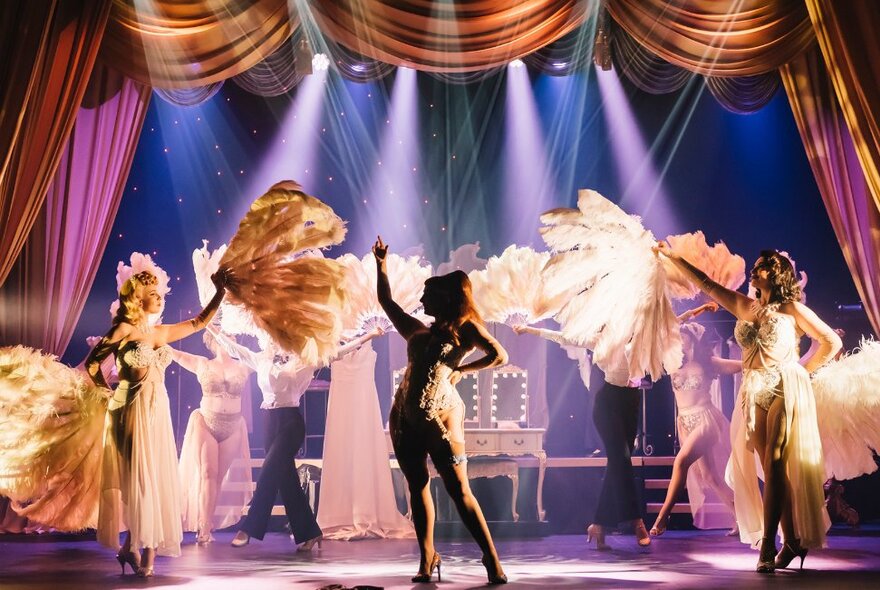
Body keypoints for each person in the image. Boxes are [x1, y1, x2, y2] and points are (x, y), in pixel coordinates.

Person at [655, 244, 841, 572]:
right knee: (771, 471)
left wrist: (800, 371)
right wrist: (673, 258)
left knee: (776, 459)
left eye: (760, 267)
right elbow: (708, 284)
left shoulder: (792, 309)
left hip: (782, 385)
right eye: (753, 267)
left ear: (776, 273)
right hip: (752, 392)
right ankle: (793, 540)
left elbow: (830, 342)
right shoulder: (744, 305)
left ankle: (769, 544)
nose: (753, 271)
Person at [373, 236, 509, 584]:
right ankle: (426, 557)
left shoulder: (466, 329)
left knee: (459, 489)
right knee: (417, 485)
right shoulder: (418, 331)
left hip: (440, 415)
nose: (421, 300)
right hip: (404, 415)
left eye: (427, 295)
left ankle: (491, 559)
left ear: (446, 297)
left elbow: (499, 355)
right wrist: (381, 265)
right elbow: (387, 302)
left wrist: (460, 370)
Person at [85, 268, 230, 577]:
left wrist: (219, 291)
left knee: (157, 477)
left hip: (157, 411)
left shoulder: (162, 333)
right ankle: (138, 547)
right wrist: (104, 390)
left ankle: (135, 548)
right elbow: (93, 363)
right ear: (138, 299)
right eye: (153, 296)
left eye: (162, 295)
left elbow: (200, 321)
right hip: (128, 409)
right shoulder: (123, 330)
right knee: (139, 481)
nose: (160, 300)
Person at [218, 330, 377, 550]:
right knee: (287, 481)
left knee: (269, 471)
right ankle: (310, 532)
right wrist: (209, 327)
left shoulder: (304, 360)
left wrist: (366, 337)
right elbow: (236, 349)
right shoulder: (262, 359)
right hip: (269, 424)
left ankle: (248, 527)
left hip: (291, 423)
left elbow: (335, 353)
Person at [649, 302, 741, 537]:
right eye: (678, 336)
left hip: (705, 420)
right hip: (684, 423)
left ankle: (662, 517)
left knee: (681, 462)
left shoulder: (707, 362)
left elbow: (741, 365)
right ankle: (742, 517)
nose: (679, 339)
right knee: (709, 476)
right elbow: (663, 329)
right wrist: (694, 311)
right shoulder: (671, 363)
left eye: (684, 336)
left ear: (693, 339)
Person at [317, 327, 415, 540]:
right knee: (342, 447)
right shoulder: (335, 336)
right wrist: (366, 336)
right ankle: (338, 514)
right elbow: (330, 354)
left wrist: (369, 335)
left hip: (363, 398)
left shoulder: (372, 332)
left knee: (363, 446)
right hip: (342, 399)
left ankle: (366, 511)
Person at [172, 329, 253, 545]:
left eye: (232, 336)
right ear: (212, 340)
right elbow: (174, 353)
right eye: (223, 336)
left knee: (217, 479)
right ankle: (204, 526)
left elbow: (267, 358)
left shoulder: (245, 364)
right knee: (208, 472)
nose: (228, 339)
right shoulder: (202, 364)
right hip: (206, 421)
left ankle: (206, 520)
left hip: (233, 426)